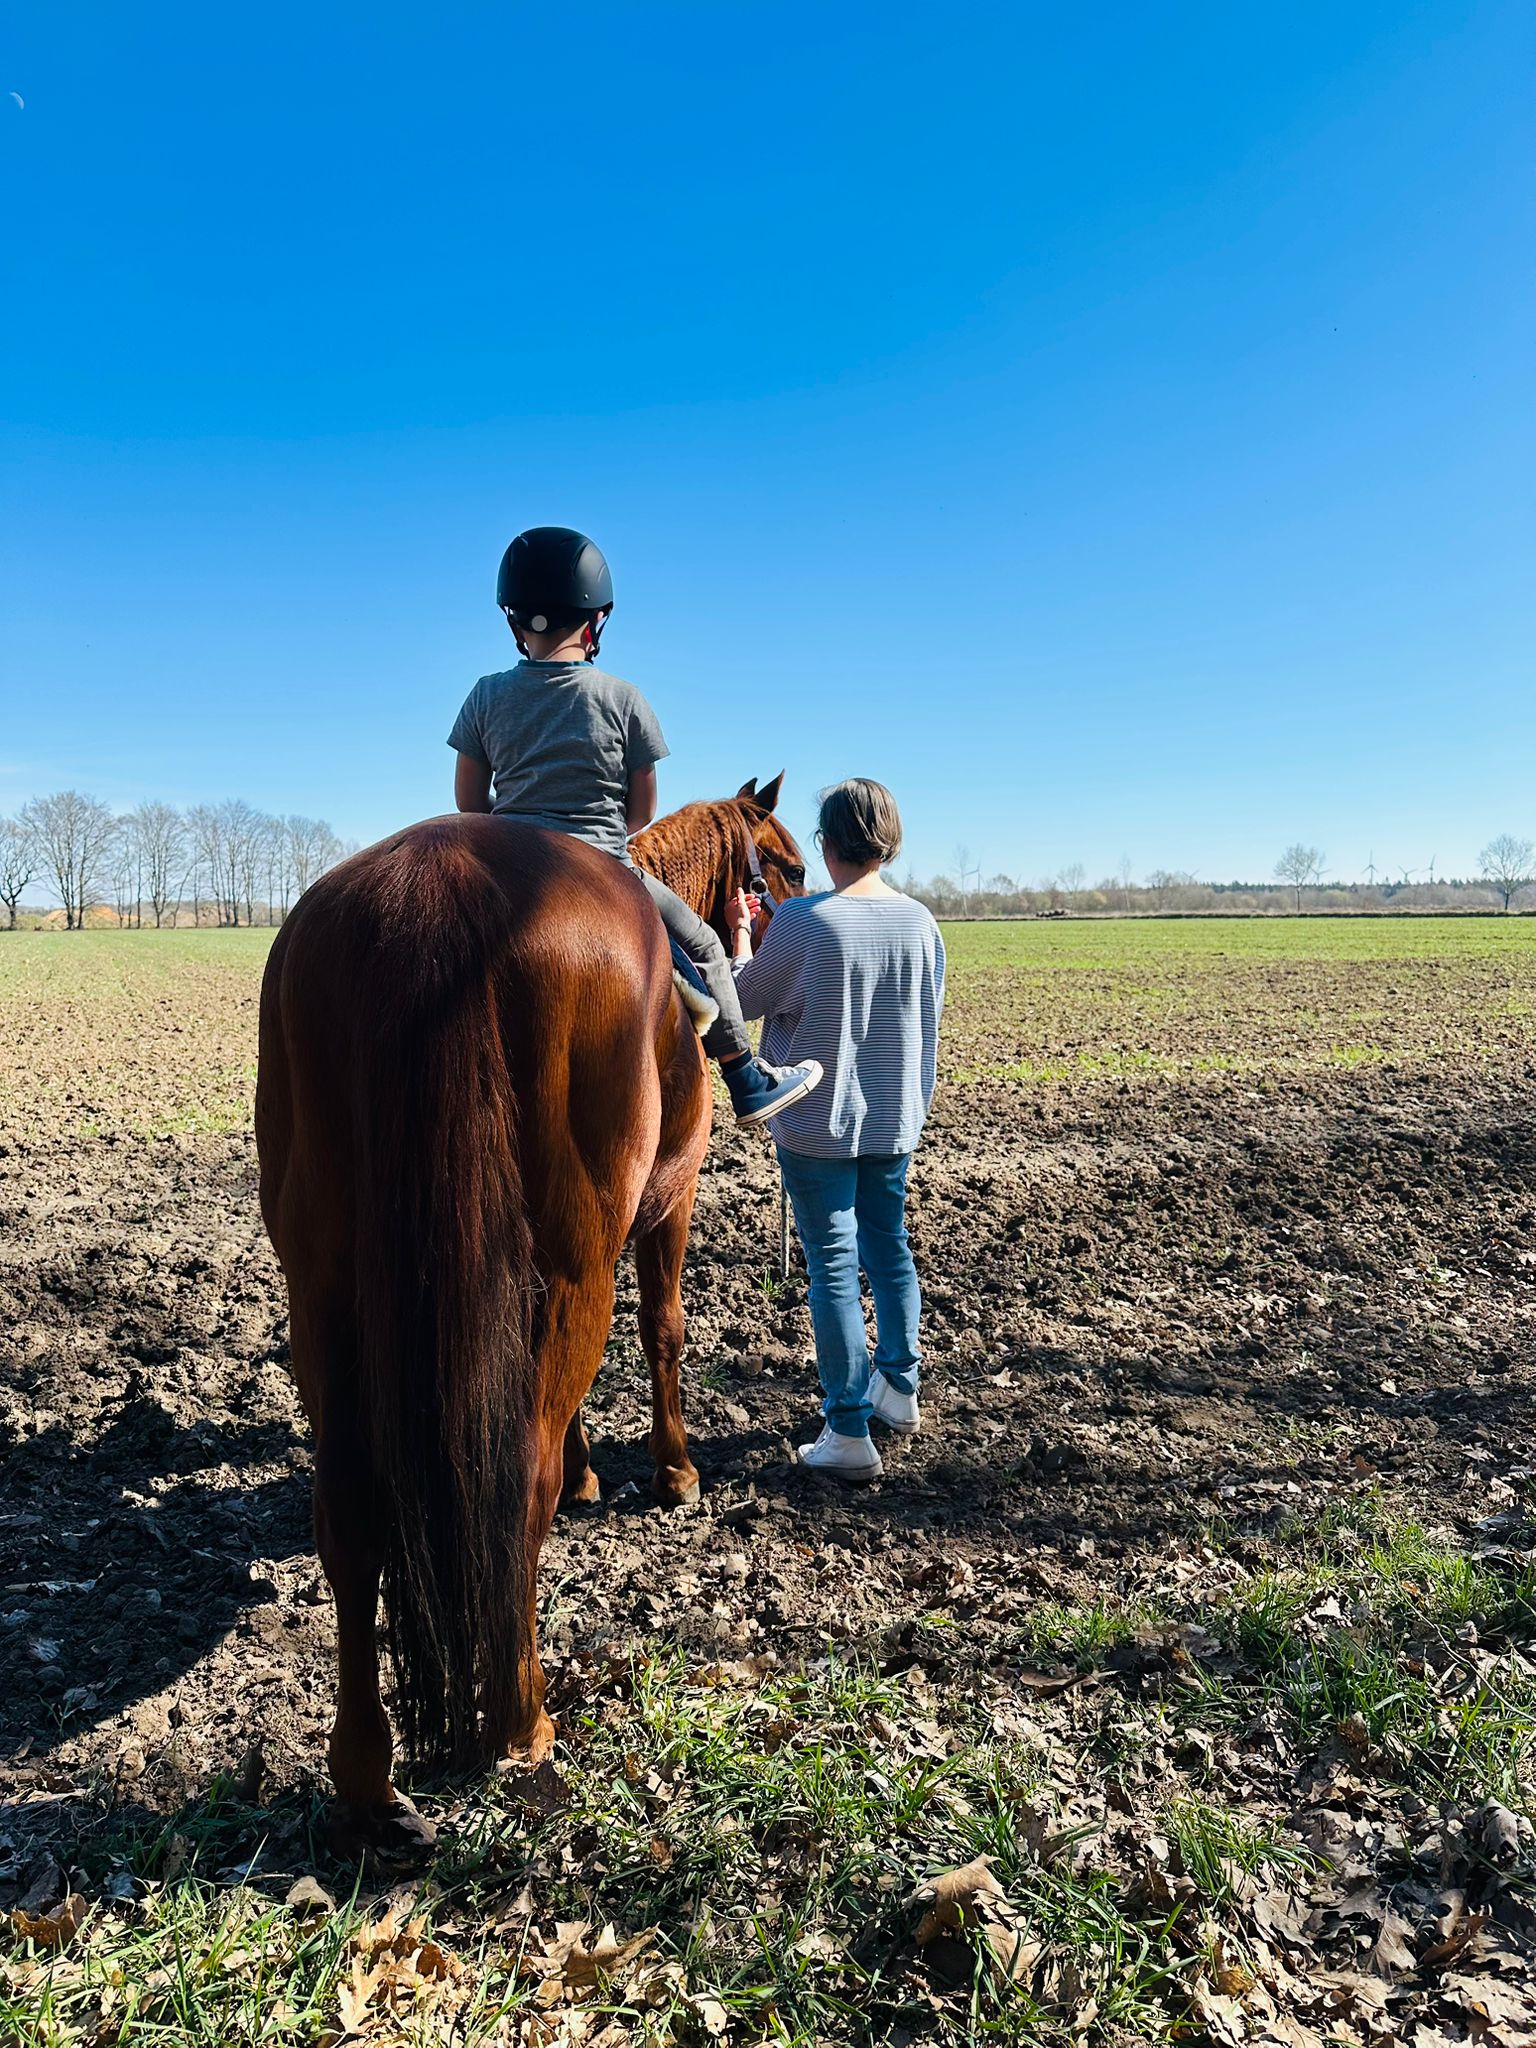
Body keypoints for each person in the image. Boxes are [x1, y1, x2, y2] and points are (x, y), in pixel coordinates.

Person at [449, 527, 822, 1125]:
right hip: (604, 862)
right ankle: (745, 1076)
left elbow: (469, 803)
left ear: (516, 623)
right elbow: (643, 811)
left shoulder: (485, 695)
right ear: (596, 621)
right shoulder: (625, 698)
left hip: (509, 864)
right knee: (702, 945)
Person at [726, 779, 945, 1480]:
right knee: (890, 1251)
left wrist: (737, 936)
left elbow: (741, 1001)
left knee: (833, 1268)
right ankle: (899, 1390)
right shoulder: (923, 923)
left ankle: (848, 1429)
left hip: (817, 1125)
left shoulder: (803, 922)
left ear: (825, 845)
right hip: (895, 1117)